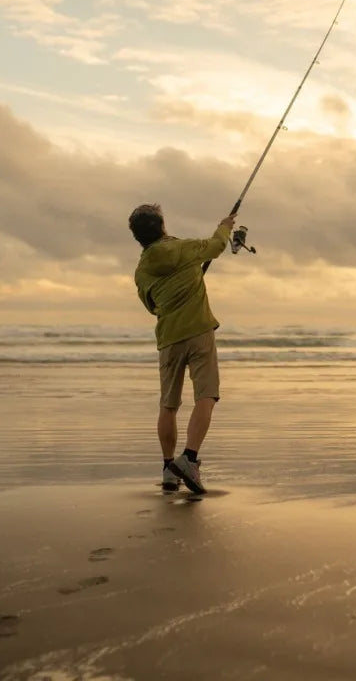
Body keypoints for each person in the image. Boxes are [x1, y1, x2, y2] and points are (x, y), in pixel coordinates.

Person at [129, 203, 236, 494]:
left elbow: (152, 307)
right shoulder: (182, 248)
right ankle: (188, 458)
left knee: (169, 404)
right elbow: (216, 246)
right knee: (206, 395)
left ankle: (168, 467)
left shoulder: (141, 272)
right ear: (162, 225)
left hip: (169, 338)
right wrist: (225, 226)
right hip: (199, 331)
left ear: (137, 237)